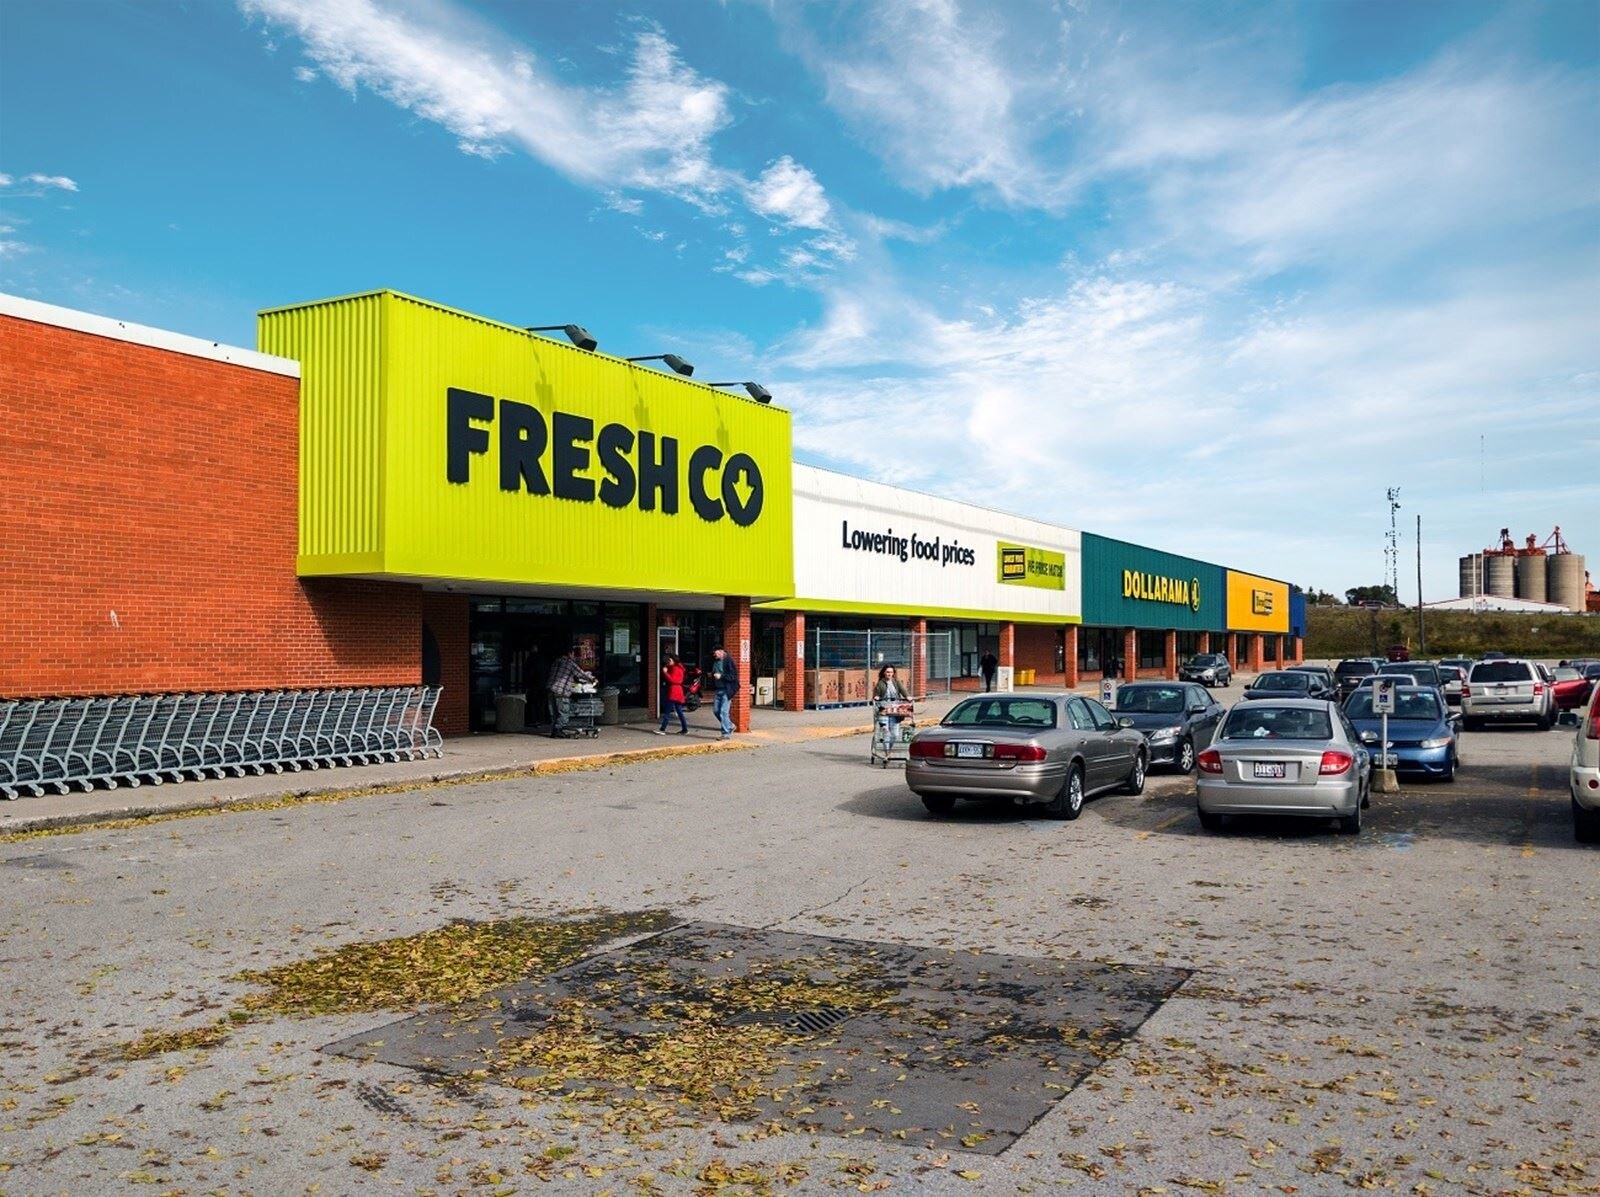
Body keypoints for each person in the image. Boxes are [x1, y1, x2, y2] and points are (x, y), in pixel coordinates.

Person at [545, 645, 595, 738]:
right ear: (570, 653)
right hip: (561, 691)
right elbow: (581, 674)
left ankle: (555, 730)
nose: (574, 656)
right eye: (573, 654)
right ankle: (557, 730)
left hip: (550, 689)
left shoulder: (556, 662)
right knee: (563, 712)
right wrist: (592, 679)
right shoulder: (570, 663)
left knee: (555, 713)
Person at [873, 665, 912, 750]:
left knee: (895, 734)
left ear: (893, 673)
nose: (889, 674)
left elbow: (903, 690)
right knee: (886, 732)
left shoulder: (896, 682)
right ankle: (887, 752)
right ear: (884, 673)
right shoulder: (880, 683)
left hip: (895, 710)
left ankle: (889, 749)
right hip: (883, 710)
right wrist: (877, 697)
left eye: (891, 672)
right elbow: (877, 693)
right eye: (887, 672)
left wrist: (907, 696)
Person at [654, 653, 689, 736]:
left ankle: (662, 729)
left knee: (667, 711)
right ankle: (685, 729)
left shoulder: (675, 669)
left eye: (669, 660)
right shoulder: (679, 668)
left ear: (674, 660)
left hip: (674, 691)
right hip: (678, 691)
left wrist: (665, 673)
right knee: (679, 711)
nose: (668, 662)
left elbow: (673, 680)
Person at [710, 645, 738, 740]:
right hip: (718, 689)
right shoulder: (715, 661)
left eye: (716, 653)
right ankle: (730, 725)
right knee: (716, 711)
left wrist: (721, 676)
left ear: (721, 651)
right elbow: (714, 672)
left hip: (727, 689)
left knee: (723, 712)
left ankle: (725, 734)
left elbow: (733, 676)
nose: (714, 655)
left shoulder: (728, 661)